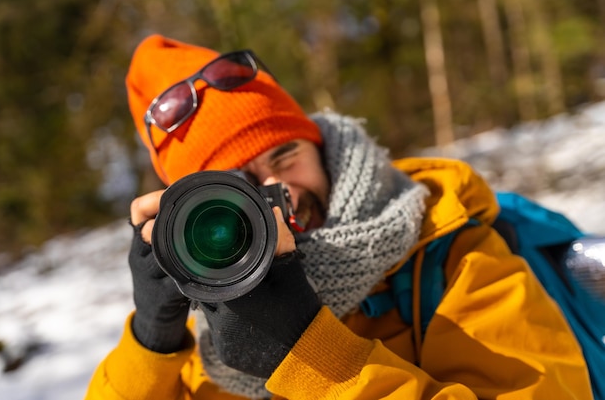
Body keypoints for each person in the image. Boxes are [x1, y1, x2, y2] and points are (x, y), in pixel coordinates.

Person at [84, 34, 593, 400]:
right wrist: (152, 340)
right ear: (193, 213)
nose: (276, 190)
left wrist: (313, 355)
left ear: (322, 146)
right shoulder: (213, 324)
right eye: (235, 186)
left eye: (285, 157)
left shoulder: (447, 253)